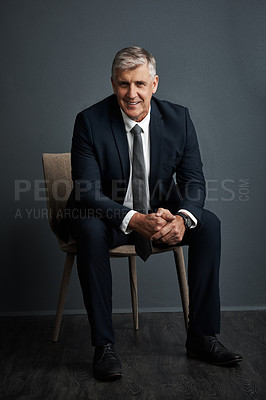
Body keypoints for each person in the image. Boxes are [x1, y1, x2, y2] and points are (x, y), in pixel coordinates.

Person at [65, 46, 242, 380]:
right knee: (88, 229)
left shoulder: (178, 119)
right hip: (106, 216)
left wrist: (182, 218)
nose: (131, 94)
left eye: (140, 84)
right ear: (113, 83)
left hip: (160, 212)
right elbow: (87, 191)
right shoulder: (89, 121)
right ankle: (103, 345)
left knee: (209, 224)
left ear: (154, 84)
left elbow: (193, 181)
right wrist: (133, 219)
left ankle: (202, 337)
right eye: (123, 84)